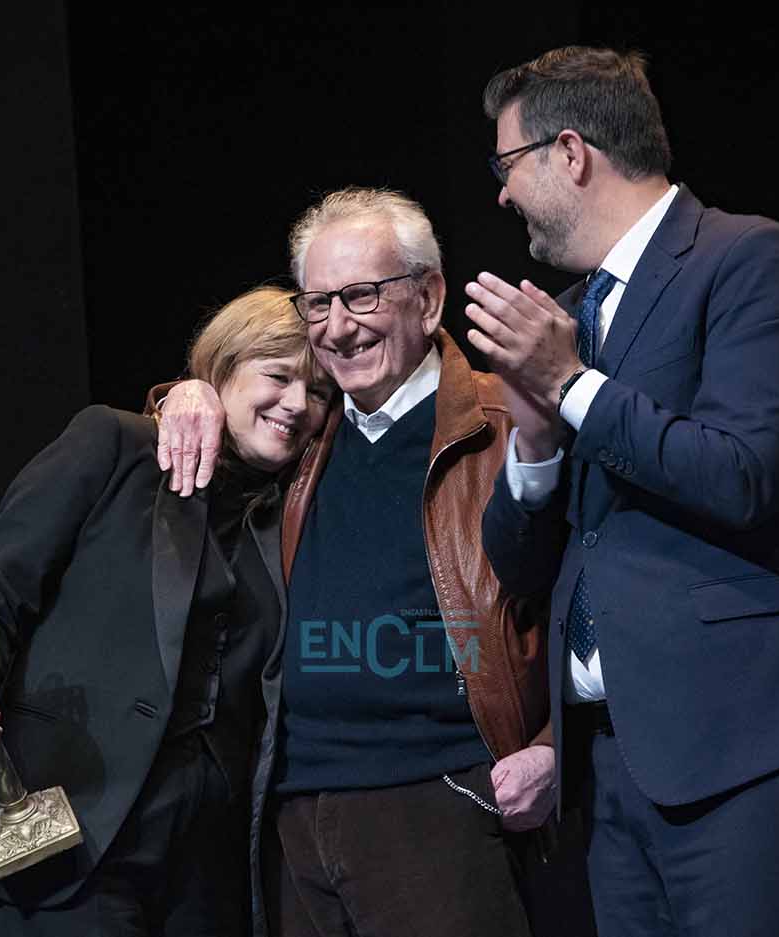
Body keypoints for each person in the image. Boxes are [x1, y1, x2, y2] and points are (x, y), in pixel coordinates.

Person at [466, 46, 779, 937]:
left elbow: (742, 473)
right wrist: (533, 446)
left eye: (507, 166)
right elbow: (521, 567)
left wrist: (572, 385)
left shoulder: (747, 259)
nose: (501, 195)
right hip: (614, 764)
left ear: (569, 153)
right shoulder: (569, 313)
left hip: (747, 747)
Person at [153, 187, 571, 937]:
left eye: (361, 296)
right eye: (318, 303)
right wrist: (185, 394)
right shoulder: (302, 434)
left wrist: (552, 749)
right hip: (292, 816)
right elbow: (209, 431)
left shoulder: (507, 422)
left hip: (439, 803)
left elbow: (592, 598)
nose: (337, 327)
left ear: (428, 298)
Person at [0, 285, 333, 935]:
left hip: (206, 870)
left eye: (317, 391)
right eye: (279, 376)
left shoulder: (289, 516)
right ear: (225, 367)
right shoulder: (116, 445)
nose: (297, 403)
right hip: (67, 826)